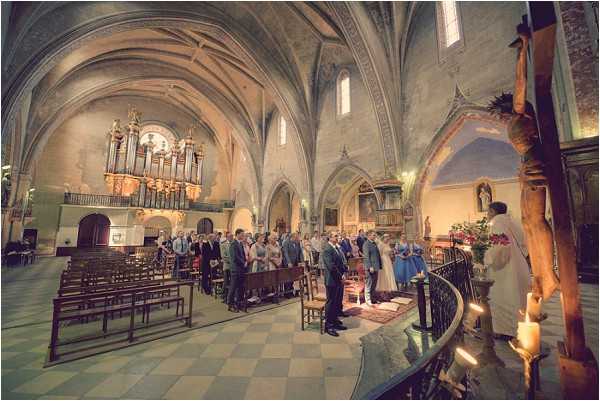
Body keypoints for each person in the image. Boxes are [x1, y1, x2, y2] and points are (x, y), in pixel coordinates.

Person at [484, 201, 530, 339]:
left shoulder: (497, 222)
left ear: (493, 211)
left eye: (488, 211)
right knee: (517, 296)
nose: (487, 214)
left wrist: (486, 259)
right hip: (518, 264)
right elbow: (523, 242)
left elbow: (500, 247)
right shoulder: (512, 221)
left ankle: (505, 331)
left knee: (503, 295)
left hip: (504, 268)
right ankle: (518, 328)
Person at [321, 232, 347, 337]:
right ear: (330, 238)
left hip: (338, 279)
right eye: (336, 236)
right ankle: (328, 326)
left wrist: (344, 271)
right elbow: (331, 266)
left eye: (338, 235)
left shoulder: (336, 247)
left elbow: (340, 262)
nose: (338, 237)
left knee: (336, 301)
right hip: (332, 279)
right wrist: (341, 276)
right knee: (330, 302)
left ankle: (335, 321)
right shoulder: (327, 249)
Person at [227, 228, 247, 312]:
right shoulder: (233, 244)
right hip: (235, 269)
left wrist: (245, 261)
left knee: (241, 287)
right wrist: (243, 263)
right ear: (237, 234)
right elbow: (235, 257)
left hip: (241, 269)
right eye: (242, 234)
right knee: (233, 287)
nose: (243, 236)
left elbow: (242, 255)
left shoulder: (240, 244)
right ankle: (230, 305)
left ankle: (239, 303)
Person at [362, 230, 381, 306]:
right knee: (369, 284)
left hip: (375, 267)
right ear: (369, 236)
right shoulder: (366, 244)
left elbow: (377, 255)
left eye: (375, 235)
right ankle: (368, 300)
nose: (375, 236)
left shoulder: (374, 243)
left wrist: (379, 265)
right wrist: (370, 267)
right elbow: (366, 257)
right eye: (373, 235)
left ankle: (373, 299)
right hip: (370, 268)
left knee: (374, 284)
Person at [282, 232, 304, 297]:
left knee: (293, 278)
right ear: (293, 237)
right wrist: (289, 262)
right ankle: (287, 293)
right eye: (297, 237)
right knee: (287, 279)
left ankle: (291, 291)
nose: (298, 239)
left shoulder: (297, 242)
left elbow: (300, 252)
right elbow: (285, 253)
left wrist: (301, 261)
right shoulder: (286, 242)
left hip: (295, 263)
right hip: (288, 263)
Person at [220, 232, 233, 303]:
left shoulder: (234, 244)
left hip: (233, 267)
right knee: (226, 282)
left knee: (232, 282)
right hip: (227, 266)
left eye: (232, 236)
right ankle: (224, 297)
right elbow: (224, 257)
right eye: (230, 236)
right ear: (227, 237)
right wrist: (232, 261)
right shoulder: (223, 245)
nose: (232, 237)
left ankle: (230, 297)